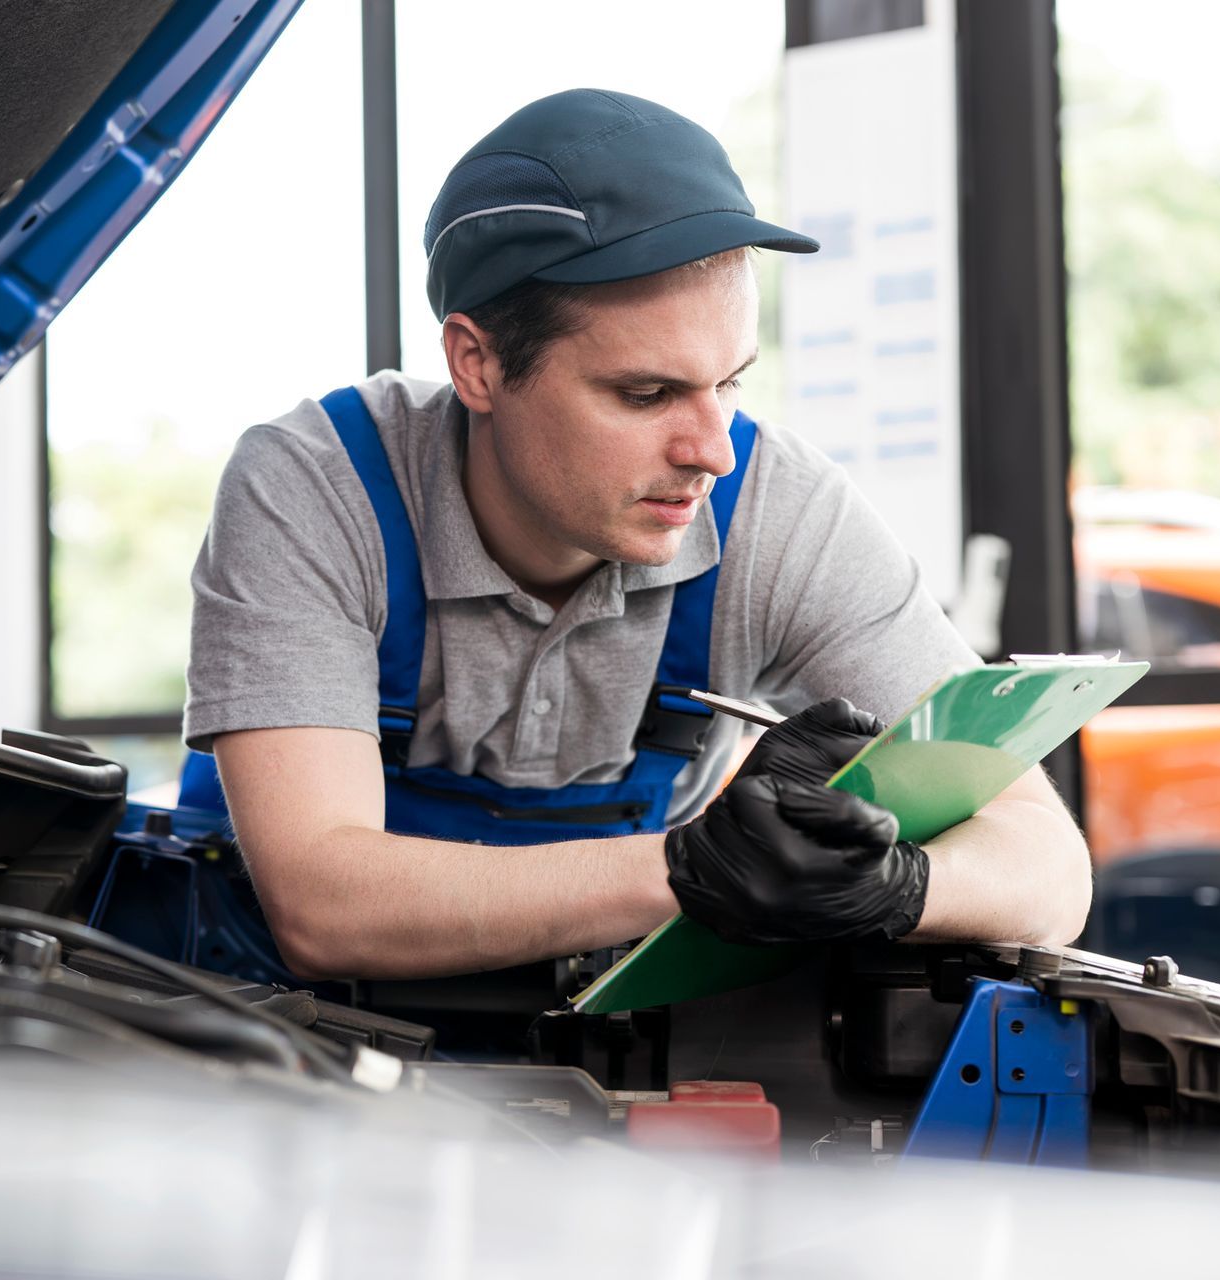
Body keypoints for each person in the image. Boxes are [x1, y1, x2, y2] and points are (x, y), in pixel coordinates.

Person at [178, 89, 1090, 980]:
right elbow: (325, 907)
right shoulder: (317, 487)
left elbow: (1048, 865)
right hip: (261, 1049)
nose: (713, 454)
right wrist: (695, 871)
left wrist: (885, 888)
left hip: (592, 1057)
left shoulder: (783, 515)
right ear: (478, 363)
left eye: (730, 383)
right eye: (646, 395)